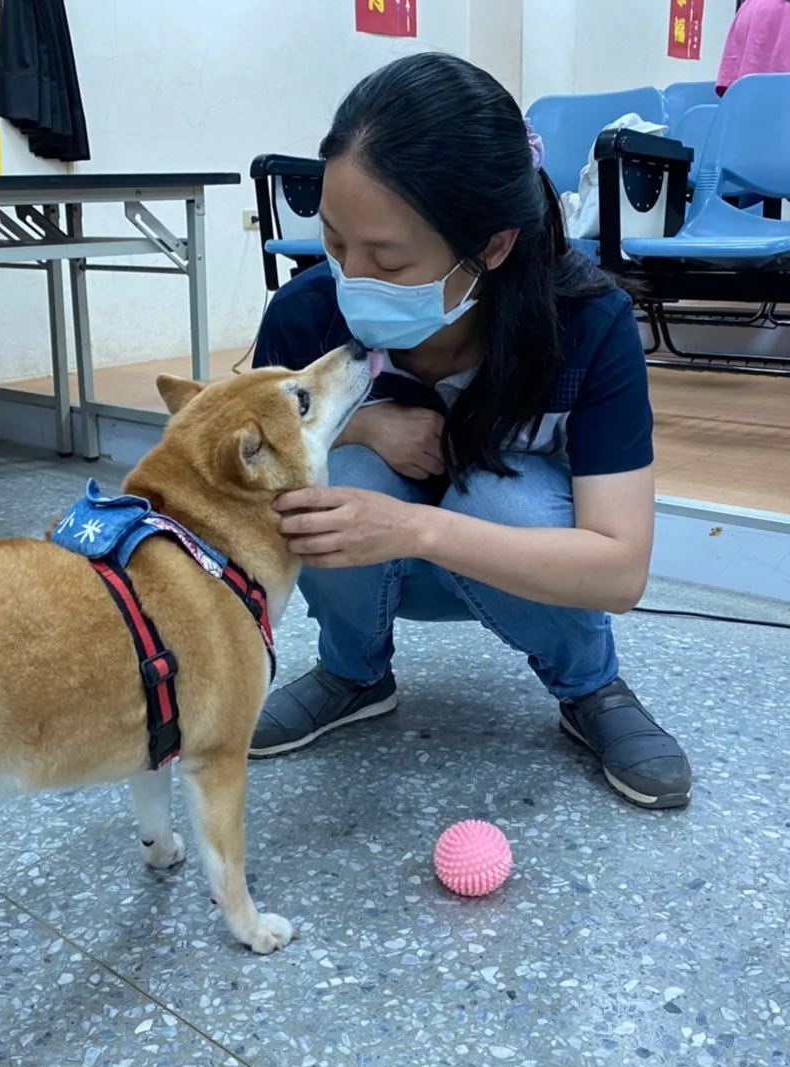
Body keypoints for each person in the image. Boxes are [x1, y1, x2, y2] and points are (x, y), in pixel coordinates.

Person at [250, 53, 692, 811]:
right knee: (325, 477)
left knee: (501, 497)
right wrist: (359, 428)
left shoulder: (586, 326)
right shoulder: (305, 315)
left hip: (511, 563)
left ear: (492, 246)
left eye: (387, 259)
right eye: (332, 242)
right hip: (372, 565)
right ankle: (351, 672)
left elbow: (620, 571)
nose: (350, 279)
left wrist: (418, 528)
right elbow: (248, 473)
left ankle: (589, 685)